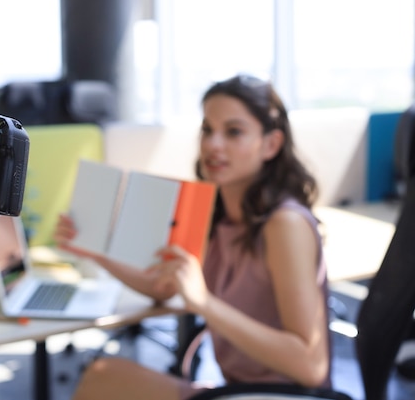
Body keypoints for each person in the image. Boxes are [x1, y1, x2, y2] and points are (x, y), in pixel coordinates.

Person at [54, 75, 331, 400]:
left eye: (234, 132)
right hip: (240, 390)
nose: (213, 144)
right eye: (207, 129)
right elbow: (162, 284)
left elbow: (311, 366)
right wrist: (95, 251)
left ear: (271, 144)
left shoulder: (285, 224)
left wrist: (204, 303)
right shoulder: (215, 214)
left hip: (286, 396)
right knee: (102, 377)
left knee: (103, 380)